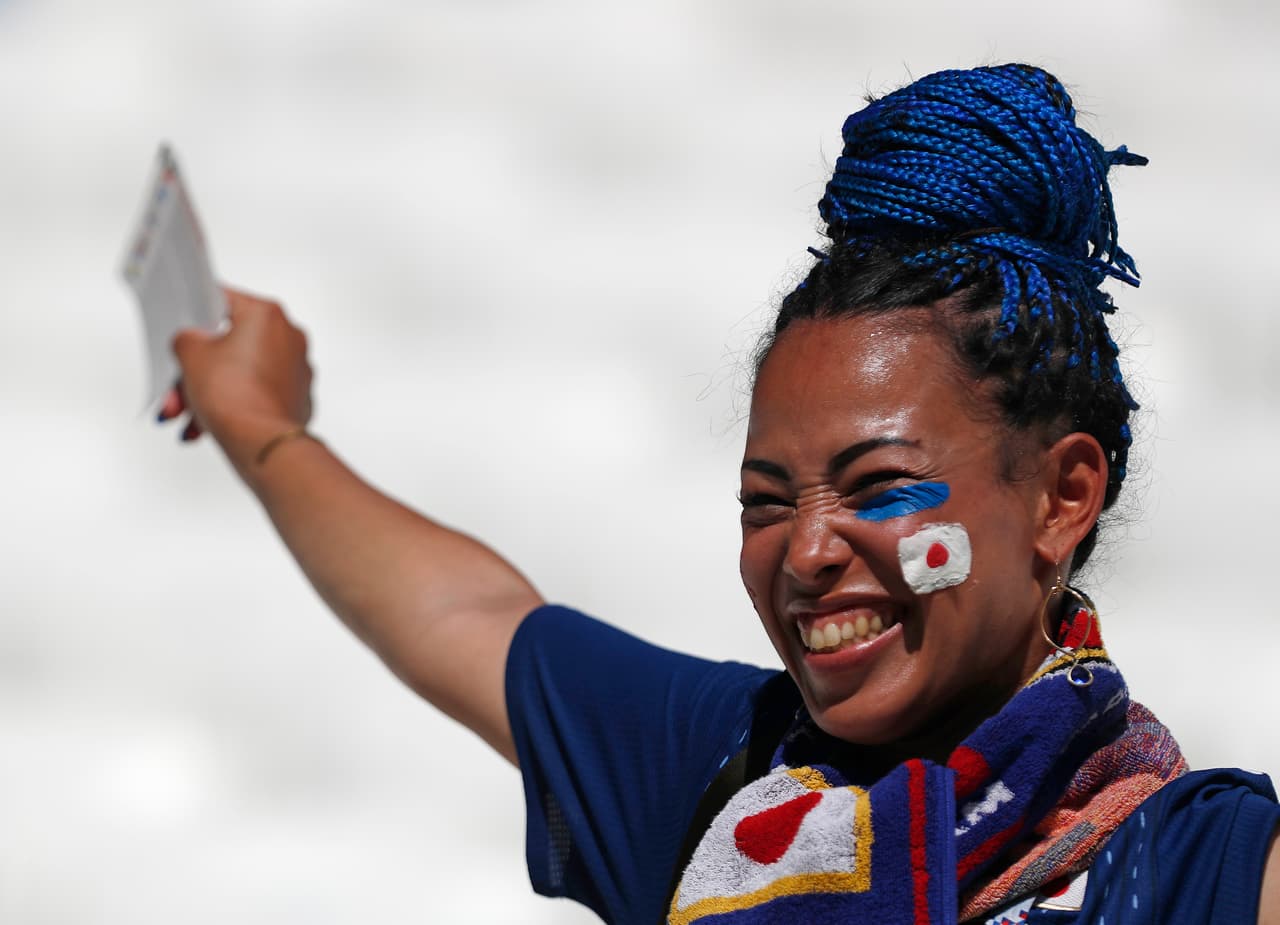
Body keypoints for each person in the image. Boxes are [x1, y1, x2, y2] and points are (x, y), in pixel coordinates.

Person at [160, 64, 1280, 924]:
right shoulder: (722, 773)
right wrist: (261, 423)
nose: (804, 550)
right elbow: (461, 614)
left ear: (1059, 496)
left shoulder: (1196, 868)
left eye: (876, 487)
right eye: (762, 501)